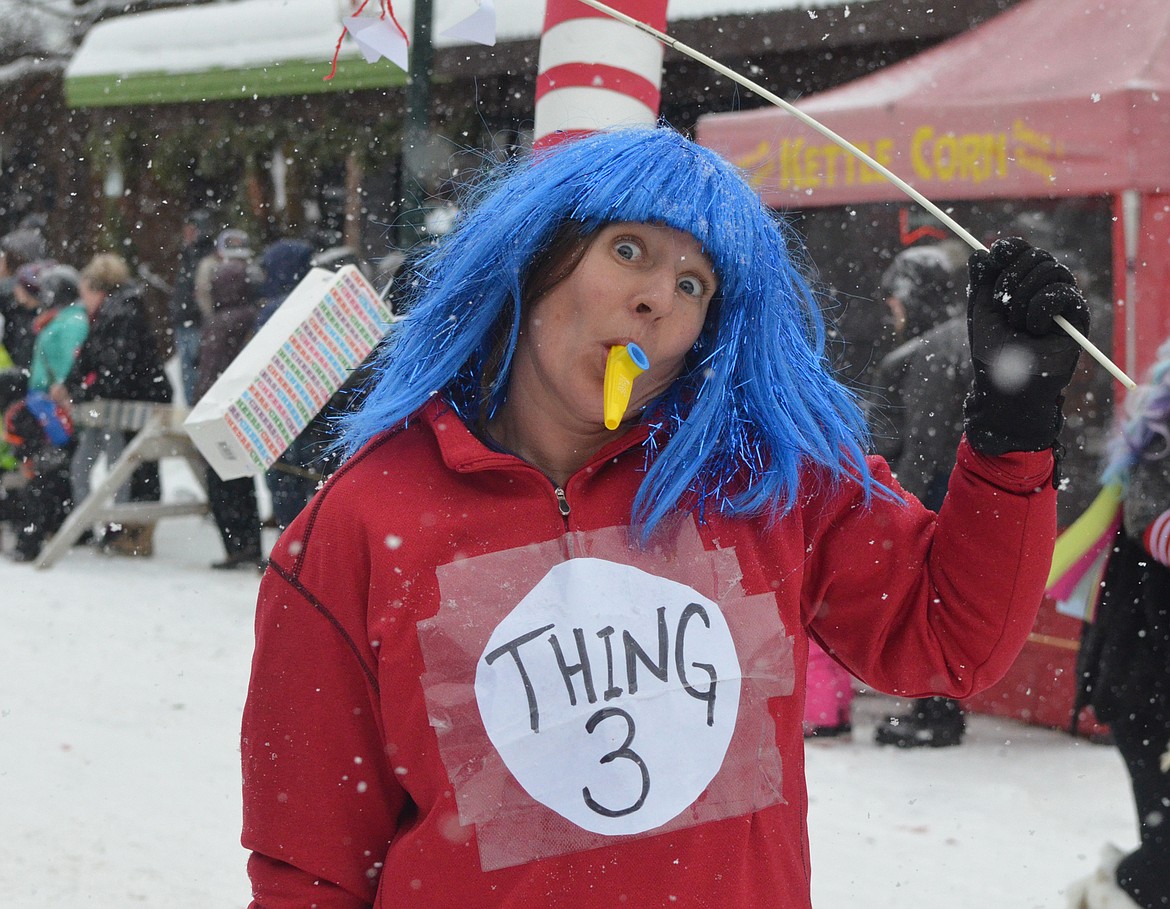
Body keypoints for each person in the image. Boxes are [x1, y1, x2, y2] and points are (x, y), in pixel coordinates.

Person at [240, 127, 1088, 909]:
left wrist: (1012, 432)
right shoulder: (362, 519)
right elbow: (310, 866)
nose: (656, 299)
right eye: (628, 249)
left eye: (692, 283)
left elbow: (951, 636)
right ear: (535, 259)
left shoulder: (763, 483)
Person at [1068, 342, 1170, 909]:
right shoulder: (1156, 464)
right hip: (1147, 689)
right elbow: (1154, 527)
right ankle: (1111, 892)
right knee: (1163, 855)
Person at [868, 242, 972, 748]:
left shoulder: (930, 350)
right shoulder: (968, 339)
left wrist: (899, 506)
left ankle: (934, 711)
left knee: (931, 605)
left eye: (897, 301)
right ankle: (937, 706)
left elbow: (925, 439)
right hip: (963, 491)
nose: (894, 312)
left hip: (934, 492)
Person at [54, 253, 173, 557]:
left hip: (142, 402)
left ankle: (135, 532)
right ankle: (126, 529)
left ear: (98, 288)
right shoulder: (112, 312)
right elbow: (91, 359)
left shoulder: (119, 313)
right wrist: (71, 386)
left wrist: (79, 391)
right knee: (132, 467)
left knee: (136, 468)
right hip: (132, 400)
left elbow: (114, 369)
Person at [196, 258, 265, 570]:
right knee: (244, 480)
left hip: (220, 412)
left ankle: (236, 547)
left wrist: (201, 405)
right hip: (246, 411)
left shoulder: (220, 322)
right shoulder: (256, 316)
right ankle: (251, 543)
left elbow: (209, 372)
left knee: (223, 482)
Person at [169, 209, 216, 405]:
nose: (186, 233)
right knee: (188, 375)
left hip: (197, 324)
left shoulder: (203, 258)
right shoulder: (188, 255)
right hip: (185, 322)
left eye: (191, 229)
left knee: (197, 375)